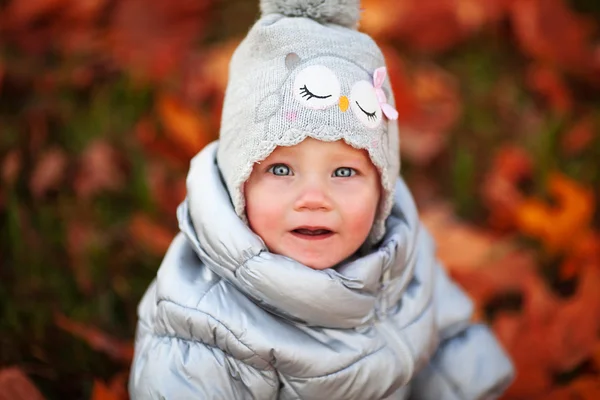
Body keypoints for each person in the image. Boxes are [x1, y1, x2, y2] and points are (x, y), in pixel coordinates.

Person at [129, 0, 514, 398]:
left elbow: (443, 332)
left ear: (382, 188)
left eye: (344, 172)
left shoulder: (402, 257)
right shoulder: (205, 332)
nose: (314, 199)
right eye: (281, 170)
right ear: (237, 181)